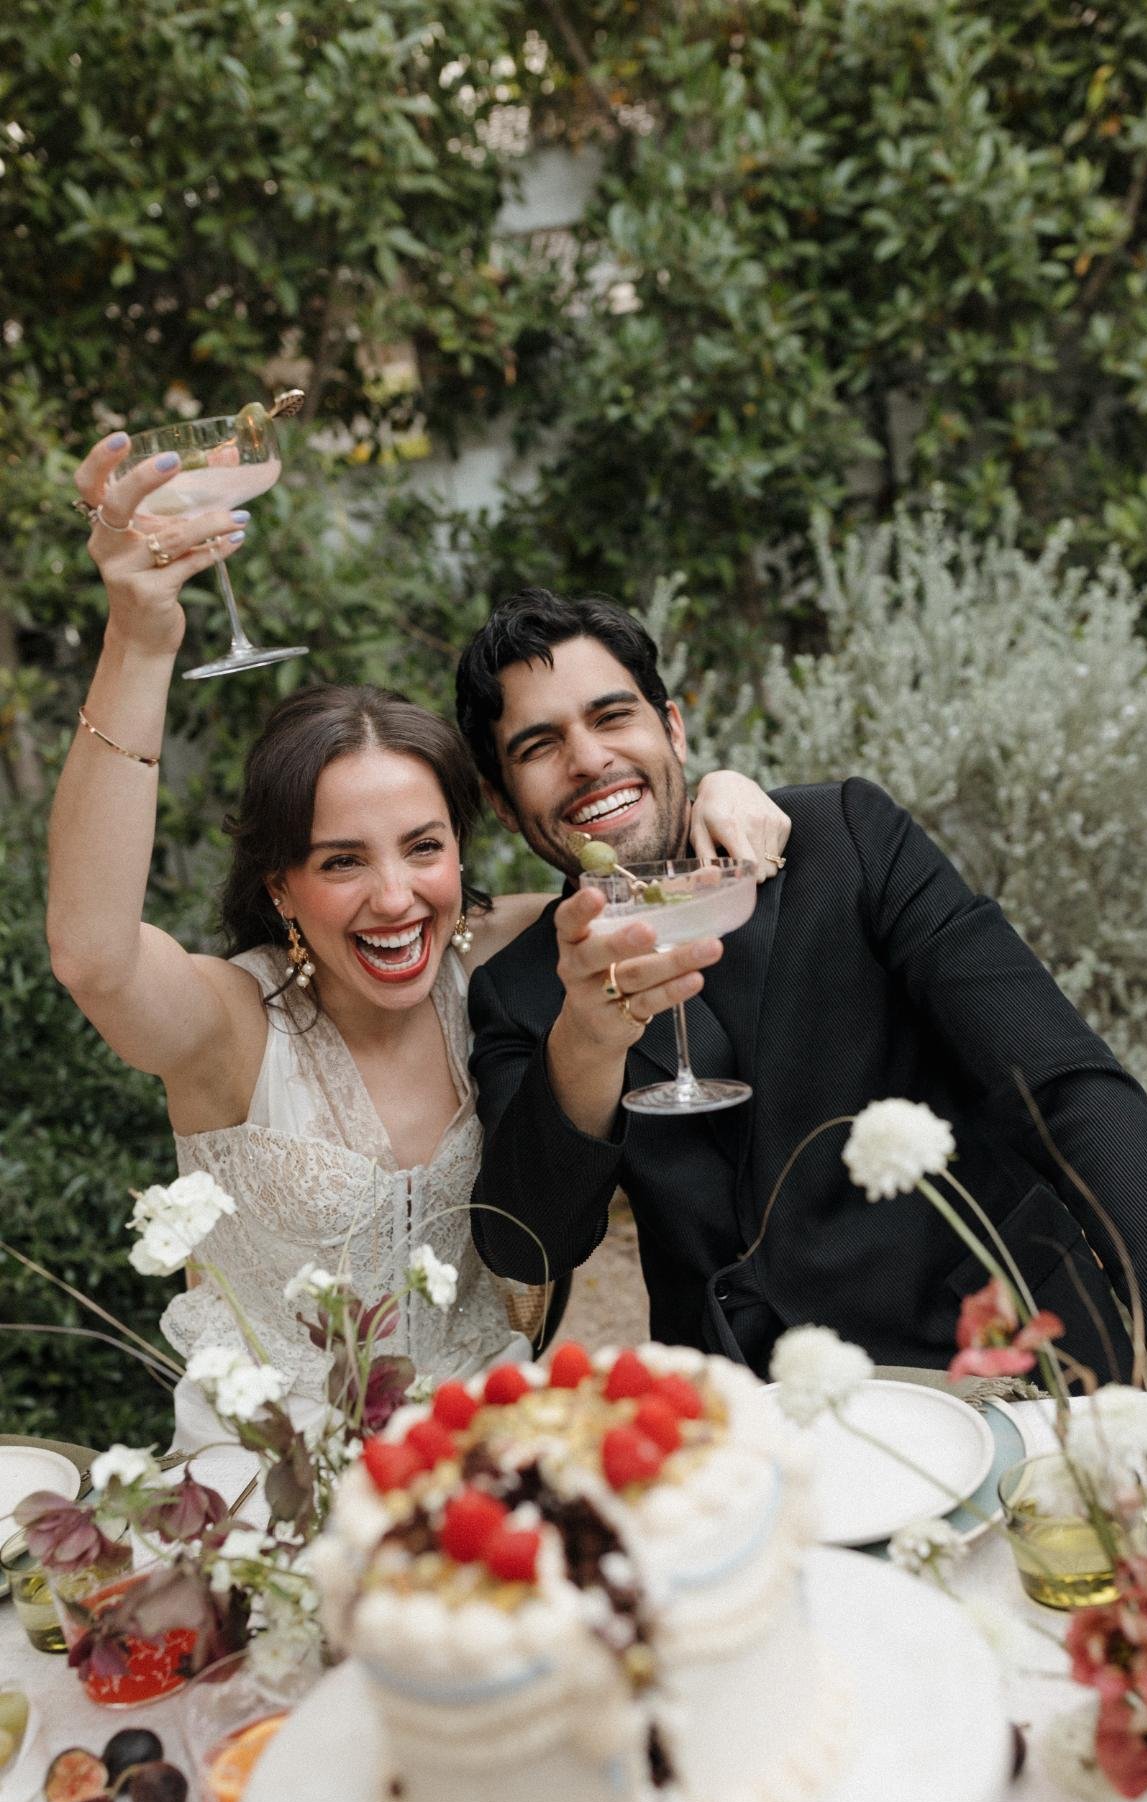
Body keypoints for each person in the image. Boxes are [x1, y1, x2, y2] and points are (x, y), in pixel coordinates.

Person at [47, 436, 790, 1440]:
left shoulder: (509, 960)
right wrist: (139, 641)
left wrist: (721, 787)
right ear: (283, 885)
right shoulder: (230, 1024)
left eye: (423, 848)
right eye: (342, 861)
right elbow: (93, 956)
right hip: (275, 1484)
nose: (395, 899)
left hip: (487, 1453)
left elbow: (644, 868)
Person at [455, 588, 1147, 1450]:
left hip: (995, 1371)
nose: (589, 758)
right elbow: (529, 1248)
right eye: (539, 746)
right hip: (746, 1425)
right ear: (500, 799)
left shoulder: (847, 841)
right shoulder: (522, 992)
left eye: (613, 716)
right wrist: (588, 1039)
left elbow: (1058, 1075)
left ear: (673, 728)